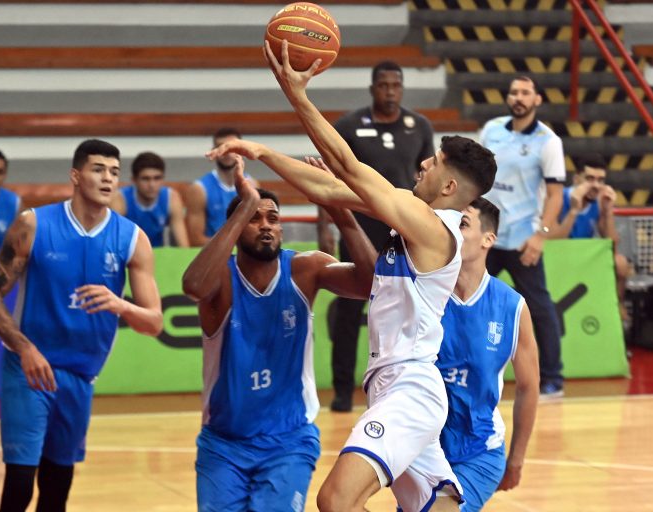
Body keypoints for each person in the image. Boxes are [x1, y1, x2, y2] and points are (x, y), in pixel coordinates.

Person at [211, 40, 497, 512]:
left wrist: (297, 94)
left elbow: (347, 166)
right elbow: (329, 186)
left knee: (336, 500)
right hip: (397, 385)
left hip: (410, 387)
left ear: (449, 186)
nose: (422, 163)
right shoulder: (414, 215)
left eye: (433, 163)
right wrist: (263, 153)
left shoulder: (433, 226)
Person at [0, 139, 163, 512]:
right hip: (30, 369)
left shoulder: (132, 238)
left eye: (114, 172)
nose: (108, 178)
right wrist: (25, 348)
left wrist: (120, 304)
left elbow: (154, 323)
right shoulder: (33, 224)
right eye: (98, 169)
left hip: (80, 375)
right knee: (19, 484)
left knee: (56, 489)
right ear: (76, 176)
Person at [182, 159, 377, 511]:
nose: (266, 225)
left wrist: (338, 208)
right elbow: (193, 286)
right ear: (235, 226)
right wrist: (243, 207)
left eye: (273, 218)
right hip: (224, 444)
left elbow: (371, 284)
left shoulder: (305, 269)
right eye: (254, 218)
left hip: (288, 441)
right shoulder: (220, 280)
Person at [316, 60, 435, 412]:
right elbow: (329, 178)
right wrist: (325, 223)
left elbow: (428, 178)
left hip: (403, 233)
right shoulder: (350, 125)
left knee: (409, 310)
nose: (390, 91)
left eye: (396, 85)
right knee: (349, 311)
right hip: (359, 231)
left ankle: (405, 385)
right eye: (383, 85)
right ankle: (342, 390)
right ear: (372, 89)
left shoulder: (419, 126)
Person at [436, 198, 539, 511]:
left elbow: (528, 387)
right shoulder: (425, 293)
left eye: (463, 224)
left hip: (479, 450)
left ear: (487, 239)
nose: (452, 230)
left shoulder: (512, 306)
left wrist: (516, 459)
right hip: (422, 449)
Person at [480, 75, 566, 399]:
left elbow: (555, 195)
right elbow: (476, 175)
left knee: (539, 307)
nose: (518, 97)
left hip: (522, 238)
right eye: (514, 92)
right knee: (466, 299)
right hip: (487, 235)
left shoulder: (548, 141)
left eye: (526, 92)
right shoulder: (492, 129)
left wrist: (540, 236)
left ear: (537, 99)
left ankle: (553, 378)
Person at [551, 153, 630, 320]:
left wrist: (608, 212)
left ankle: (617, 306)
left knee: (620, 263)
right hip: (559, 257)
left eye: (601, 180)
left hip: (585, 258)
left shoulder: (599, 202)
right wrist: (574, 210)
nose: (596, 185)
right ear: (576, 179)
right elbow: (554, 240)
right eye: (590, 179)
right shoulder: (559, 198)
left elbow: (612, 245)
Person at [184, 128, 258, 246]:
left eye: (232, 147)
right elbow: (196, 240)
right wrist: (230, 249)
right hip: (214, 253)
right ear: (213, 151)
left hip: (244, 252)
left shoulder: (253, 185)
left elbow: (257, 230)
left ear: (242, 151)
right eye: (221, 146)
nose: (227, 151)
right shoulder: (199, 189)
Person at [111, 151, 190, 247]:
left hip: (157, 252)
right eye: (145, 179)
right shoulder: (120, 199)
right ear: (134, 180)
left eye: (157, 178)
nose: (152, 185)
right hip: (129, 252)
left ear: (163, 179)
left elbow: (183, 245)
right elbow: (113, 241)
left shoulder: (171, 197)